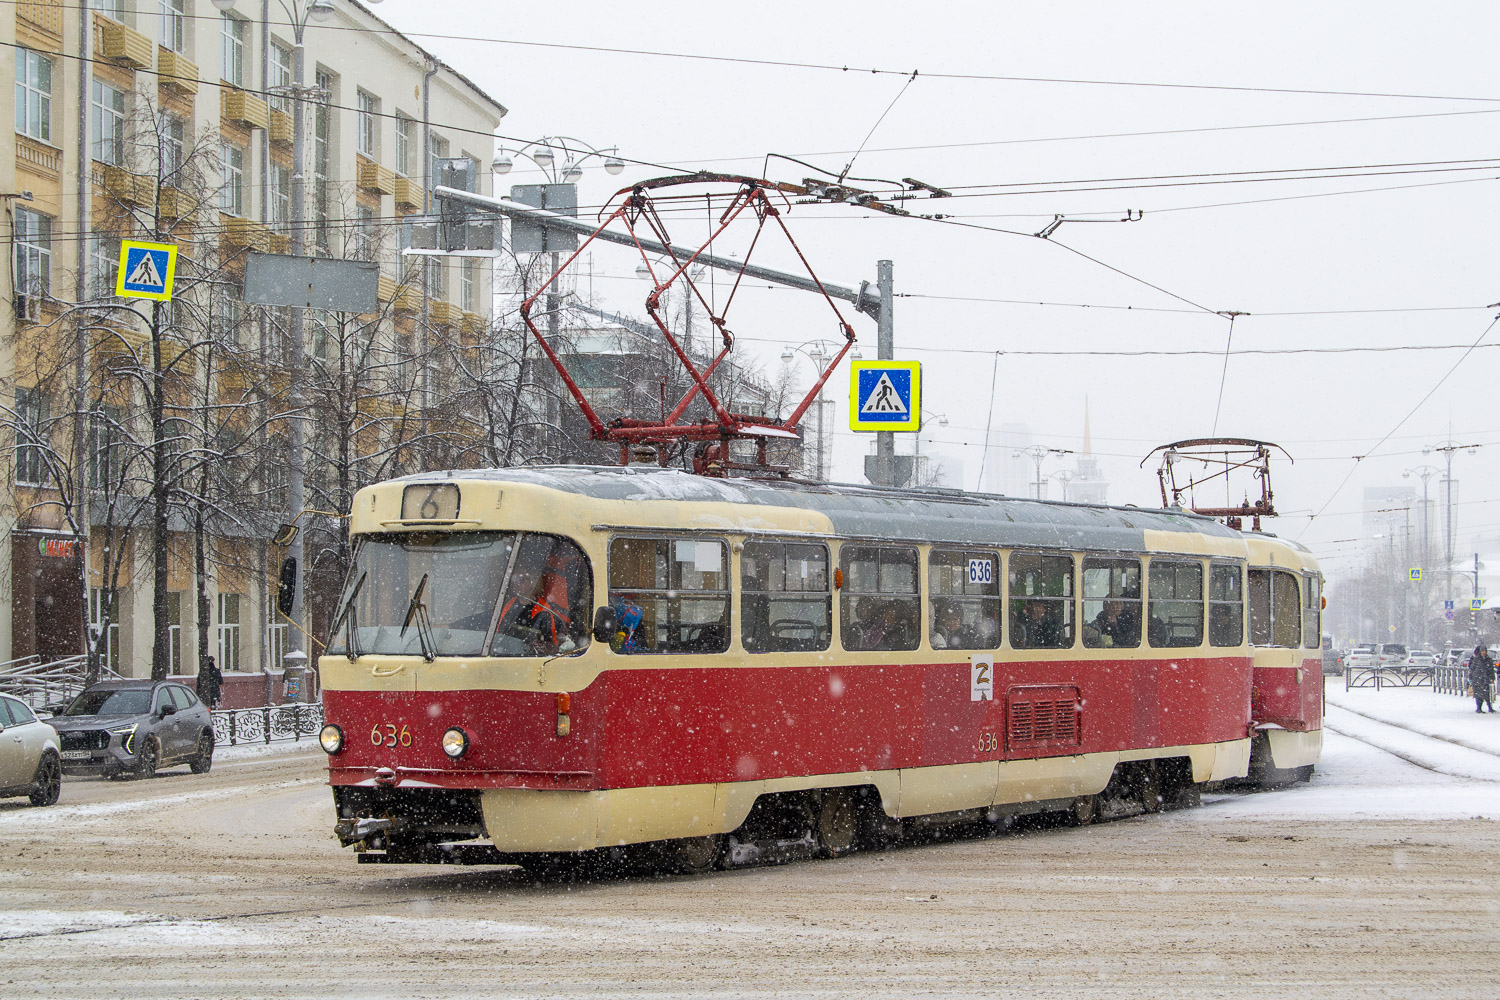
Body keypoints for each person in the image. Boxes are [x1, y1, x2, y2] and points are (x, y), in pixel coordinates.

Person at [1468, 642, 1495, 713]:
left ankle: (1489, 707)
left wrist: (1492, 678)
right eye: (1482, 651)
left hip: (1485, 679)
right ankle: (1479, 708)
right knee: (1478, 694)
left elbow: (1491, 670)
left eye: (1485, 651)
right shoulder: (1476, 660)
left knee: (1487, 694)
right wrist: (1471, 678)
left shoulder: (1488, 660)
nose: (1484, 652)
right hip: (1477, 679)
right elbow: (1472, 669)